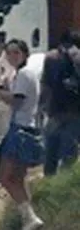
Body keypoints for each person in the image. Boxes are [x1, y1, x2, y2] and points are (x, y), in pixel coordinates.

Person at [0, 40, 44, 230]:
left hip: (19, 129)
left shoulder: (25, 74)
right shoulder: (23, 74)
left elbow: (17, 101)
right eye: (9, 53)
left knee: (5, 176)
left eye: (16, 53)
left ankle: (30, 217)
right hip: (27, 127)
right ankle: (27, 216)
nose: (12, 56)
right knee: (19, 177)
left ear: (24, 53)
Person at [39, 29, 80, 176]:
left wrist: (41, 108)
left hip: (54, 111)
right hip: (75, 112)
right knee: (69, 155)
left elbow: (45, 86)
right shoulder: (78, 57)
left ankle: (49, 187)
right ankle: (64, 191)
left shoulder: (50, 57)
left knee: (51, 154)